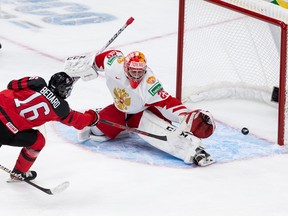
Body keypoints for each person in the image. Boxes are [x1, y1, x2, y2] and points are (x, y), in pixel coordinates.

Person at [76, 50, 216, 166]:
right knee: (97, 132)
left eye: (140, 72)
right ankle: (114, 121)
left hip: (141, 111)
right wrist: (88, 65)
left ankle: (195, 151)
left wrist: (186, 116)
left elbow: (168, 102)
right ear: (125, 68)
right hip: (121, 109)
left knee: (160, 131)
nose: (137, 76)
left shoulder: (149, 83)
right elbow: (102, 59)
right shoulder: (114, 63)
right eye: (133, 72)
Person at [0, 72, 98, 181]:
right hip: (6, 130)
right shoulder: (60, 108)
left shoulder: (37, 82)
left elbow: (11, 85)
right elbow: (79, 122)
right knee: (38, 141)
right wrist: (93, 117)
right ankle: (19, 173)